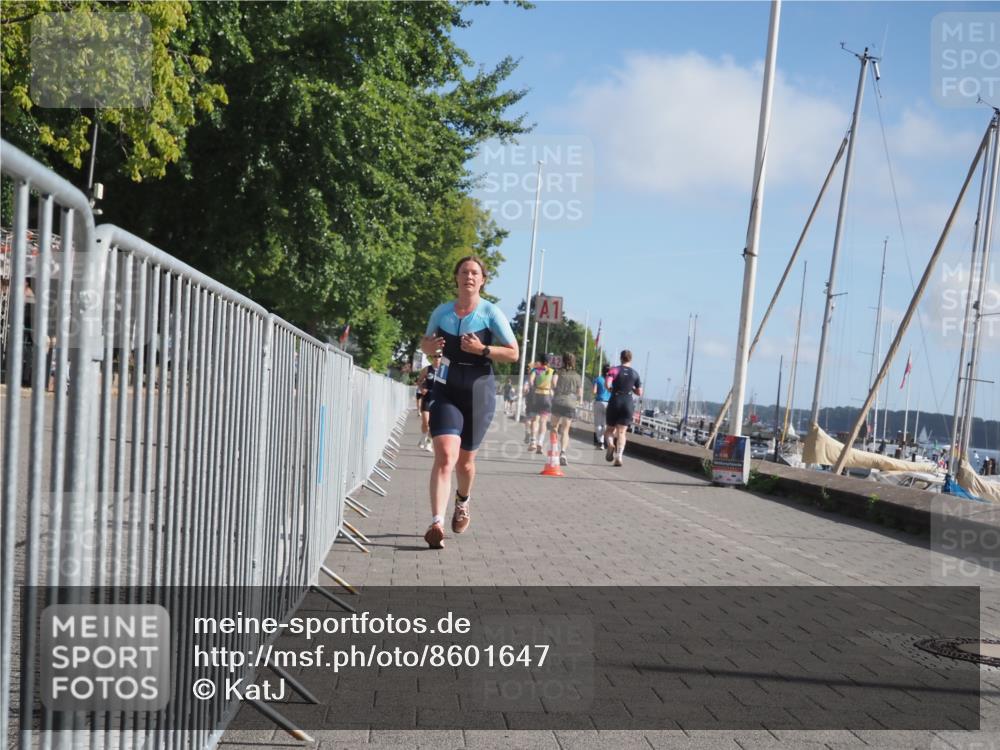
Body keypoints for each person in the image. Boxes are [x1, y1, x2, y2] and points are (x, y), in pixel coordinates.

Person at [420, 256, 519, 549]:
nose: (469, 276)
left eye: (475, 273)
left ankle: (462, 502)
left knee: (465, 462)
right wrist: (428, 347)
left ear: (483, 280)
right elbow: (426, 344)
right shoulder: (441, 312)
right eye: (464, 272)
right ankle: (437, 523)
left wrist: (482, 349)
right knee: (445, 456)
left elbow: (513, 353)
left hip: (479, 393)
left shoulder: (490, 312)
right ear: (456, 277)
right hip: (446, 389)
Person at [604, 350, 643, 467]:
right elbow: (639, 392)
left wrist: (611, 389)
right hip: (628, 402)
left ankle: (610, 444)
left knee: (610, 430)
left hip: (615, 400)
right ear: (631, 359)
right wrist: (632, 389)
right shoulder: (635, 374)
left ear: (621, 358)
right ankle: (619, 456)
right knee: (621, 432)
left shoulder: (614, 370)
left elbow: (607, 384)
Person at [550, 352, 583, 465]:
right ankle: (563, 453)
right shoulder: (577, 376)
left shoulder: (558, 372)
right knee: (565, 430)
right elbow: (579, 393)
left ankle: (554, 448)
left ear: (562, 361)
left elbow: (553, 383)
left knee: (554, 427)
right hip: (570, 403)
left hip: (558, 401)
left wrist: (557, 389)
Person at [526, 354, 555, 454]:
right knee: (543, 421)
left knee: (535, 420)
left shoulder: (536, 370)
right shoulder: (552, 371)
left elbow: (531, 381)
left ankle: (533, 441)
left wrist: (533, 387)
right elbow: (554, 384)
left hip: (536, 396)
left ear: (540, 361)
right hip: (547, 397)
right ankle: (540, 443)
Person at [415, 355, 440, 451]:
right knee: (426, 422)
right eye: (435, 356)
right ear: (432, 358)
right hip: (427, 397)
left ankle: (429, 443)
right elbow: (419, 381)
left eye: (439, 356)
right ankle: (423, 438)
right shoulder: (427, 369)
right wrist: (422, 388)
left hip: (439, 399)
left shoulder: (445, 369)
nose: (437, 358)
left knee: (433, 423)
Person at [592, 364, 611, 449]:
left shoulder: (598, 379)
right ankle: (604, 441)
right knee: (605, 424)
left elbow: (594, 391)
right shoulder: (612, 381)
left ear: (602, 370)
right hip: (609, 403)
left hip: (599, 402)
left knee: (598, 424)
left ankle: (601, 442)